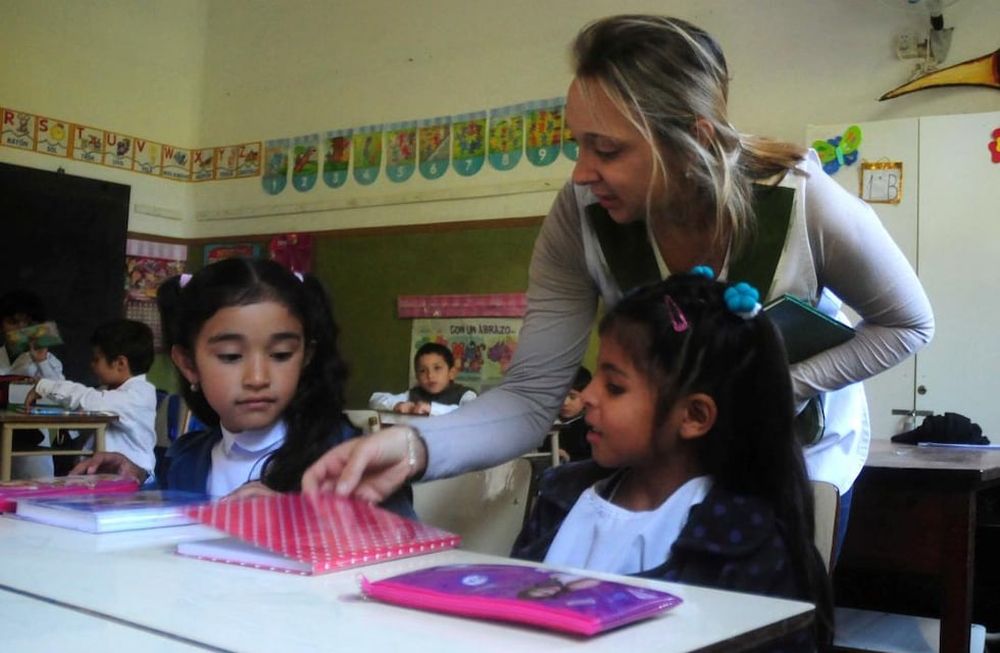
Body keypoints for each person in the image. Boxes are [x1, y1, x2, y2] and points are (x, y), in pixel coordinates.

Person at [301, 15, 934, 554]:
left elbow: (909, 324)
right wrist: (414, 446)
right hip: (666, 466)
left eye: (606, 150)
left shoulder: (805, 203)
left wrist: (775, 389)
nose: (581, 173)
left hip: (795, 458)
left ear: (694, 140)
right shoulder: (580, 217)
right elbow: (532, 396)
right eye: (578, 144)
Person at [512, 272, 832, 649]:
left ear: (694, 416)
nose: (587, 397)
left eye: (614, 387)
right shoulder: (559, 498)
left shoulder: (744, 540)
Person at [71, 258, 412, 516]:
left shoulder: (354, 460)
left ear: (305, 357)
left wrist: (297, 521)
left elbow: (406, 558)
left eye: (281, 354)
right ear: (189, 364)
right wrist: (137, 480)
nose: (258, 377)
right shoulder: (186, 458)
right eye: (231, 356)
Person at [28, 319, 157, 478]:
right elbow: (69, 397)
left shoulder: (139, 394)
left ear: (120, 363)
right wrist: (43, 364)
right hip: (104, 478)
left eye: (96, 359)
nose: (91, 365)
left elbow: (88, 400)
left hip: (134, 482)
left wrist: (45, 387)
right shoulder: (110, 391)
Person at [368, 342, 476, 416]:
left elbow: (471, 413)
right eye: (423, 371)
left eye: (437, 368)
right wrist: (396, 405)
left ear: (452, 373)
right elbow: (374, 400)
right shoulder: (414, 394)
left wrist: (431, 409)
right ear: (417, 377)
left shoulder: (465, 394)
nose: (430, 376)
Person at [0, 289, 63, 380]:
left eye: (28, 323)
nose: (21, 329)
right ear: (1, 326)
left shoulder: (50, 361)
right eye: (13, 322)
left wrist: (41, 362)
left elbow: (59, 388)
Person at [539, 366, 592, 462]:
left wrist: (569, 459)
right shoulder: (544, 422)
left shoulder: (592, 427)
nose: (565, 402)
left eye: (572, 397)